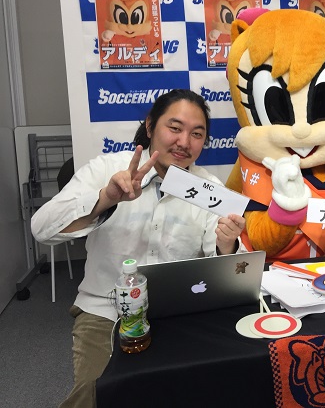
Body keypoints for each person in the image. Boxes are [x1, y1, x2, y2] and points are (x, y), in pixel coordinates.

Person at [31, 89, 245, 407]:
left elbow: (229, 270)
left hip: (178, 312)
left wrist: (227, 245)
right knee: (96, 395)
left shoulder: (209, 190)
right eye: (174, 128)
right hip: (106, 311)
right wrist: (105, 199)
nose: (184, 142)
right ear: (150, 126)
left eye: (196, 134)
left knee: (205, 388)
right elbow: (41, 228)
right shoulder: (107, 169)